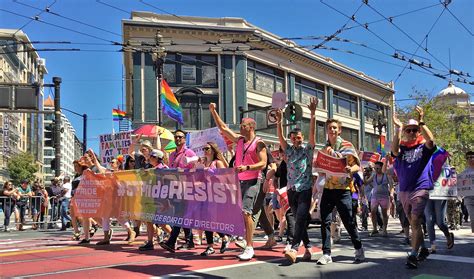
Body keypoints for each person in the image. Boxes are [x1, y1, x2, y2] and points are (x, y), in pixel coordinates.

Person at [209, 103, 268, 261]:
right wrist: (213, 111)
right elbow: (223, 128)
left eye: (242, 126)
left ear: (250, 127)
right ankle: (245, 239)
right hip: (239, 181)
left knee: (246, 212)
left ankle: (249, 246)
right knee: (240, 213)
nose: (240, 128)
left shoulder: (259, 143)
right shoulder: (240, 141)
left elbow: (263, 163)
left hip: (254, 181)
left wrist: (248, 166)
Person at [316, 118, 365, 265]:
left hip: (343, 189)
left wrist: (351, 169)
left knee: (348, 222)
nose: (332, 130)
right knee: (324, 220)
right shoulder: (324, 148)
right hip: (328, 188)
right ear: (327, 130)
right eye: (330, 128)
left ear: (339, 130)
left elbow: (357, 166)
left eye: (335, 128)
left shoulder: (347, 146)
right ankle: (326, 253)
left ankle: (359, 248)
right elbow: (321, 167)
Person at [392, 106, 435, 269]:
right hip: (404, 190)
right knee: (412, 223)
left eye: (414, 130)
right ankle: (423, 248)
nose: (410, 133)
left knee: (415, 221)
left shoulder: (424, 147)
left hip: (420, 188)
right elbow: (394, 150)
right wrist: (398, 128)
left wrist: (422, 121)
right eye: (408, 130)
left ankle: (413, 254)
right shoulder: (402, 148)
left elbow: (431, 140)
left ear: (418, 132)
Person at [276, 97, 317, 264]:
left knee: (300, 217)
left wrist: (312, 114)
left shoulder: (307, 149)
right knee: (299, 219)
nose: (296, 140)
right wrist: (279, 122)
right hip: (291, 190)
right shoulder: (288, 151)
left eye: (298, 137)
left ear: (302, 137)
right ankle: (308, 248)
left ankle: (293, 248)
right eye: (293, 138)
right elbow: (280, 138)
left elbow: (313, 134)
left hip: (305, 189)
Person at [159, 129, 199, 253]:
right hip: (175, 188)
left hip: (186, 188)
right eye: (176, 137)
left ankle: (172, 241)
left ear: (184, 139)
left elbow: (196, 169)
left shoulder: (189, 152)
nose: (177, 139)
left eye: (180, 137)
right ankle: (189, 241)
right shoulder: (172, 155)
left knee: (179, 215)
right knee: (181, 215)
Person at [197, 142, 231, 256]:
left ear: (213, 150)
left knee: (212, 220)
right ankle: (210, 246)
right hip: (204, 194)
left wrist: (212, 173)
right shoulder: (203, 162)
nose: (205, 150)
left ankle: (224, 236)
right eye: (203, 148)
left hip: (216, 194)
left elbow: (225, 178)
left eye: (207, 148)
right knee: (206, 221)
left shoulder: (218, 162)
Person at [139, 149, 170, 251]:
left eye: (152, 156)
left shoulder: (164, 168)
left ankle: (174, 237)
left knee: (162, 222)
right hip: (151, 199)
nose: (149, 158)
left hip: (160, 199)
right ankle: (150, 242)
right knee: (148, 220)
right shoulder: (151, 169)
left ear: (157, 158)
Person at [366, 161, 394, 237]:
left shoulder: (386, 175)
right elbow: (367, 182)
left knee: (384, 213)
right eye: (375, 168)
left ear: (382, 168)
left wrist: (391, 194)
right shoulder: (374, 175)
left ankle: (384, 229)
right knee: (373, 211)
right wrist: (365, 178)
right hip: (375, 196)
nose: (376, 170)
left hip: (384, 196)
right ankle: (375, 229)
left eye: (377, 168)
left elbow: (391, 186)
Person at [459, 151, 474, 233]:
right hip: (469, 199)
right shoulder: (463, 174)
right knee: (473, 219)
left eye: (472, 157)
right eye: (468, 158)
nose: (470, 159)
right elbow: (459, 186)